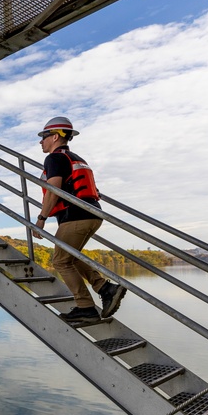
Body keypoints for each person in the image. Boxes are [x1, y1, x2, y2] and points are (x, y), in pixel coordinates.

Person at [32, 116, 126, 325]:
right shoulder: (75, 158)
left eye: (44, 137)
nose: (41, 141)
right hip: (92, 214)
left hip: (75, 216)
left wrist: (41, 218)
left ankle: (85, 308)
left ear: (55, 136)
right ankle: (105, 288)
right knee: (70, 257)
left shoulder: (54, 159)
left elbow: (53, 190)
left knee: (60, 261)